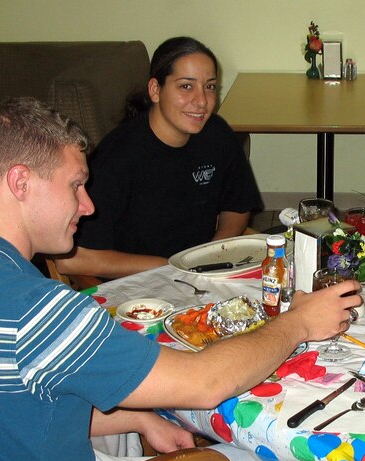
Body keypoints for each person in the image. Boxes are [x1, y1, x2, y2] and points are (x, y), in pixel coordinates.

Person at [0, 97, 361, 461]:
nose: (88, 206)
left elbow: (8, 414)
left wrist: (140, 420)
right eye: (75, 185)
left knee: (127, 422)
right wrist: (299, 323)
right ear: (20, 182)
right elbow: (206, 383)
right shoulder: (38, 310)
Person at [55, 36, 263, 280]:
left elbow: (237, 205)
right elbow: (72, 260)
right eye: (186, 86)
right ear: (155, 90)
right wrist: (171, 268)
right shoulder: (116, 158)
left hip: (199, 278)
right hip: (137, 288)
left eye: (209, 87)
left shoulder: (217, 134)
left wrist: (214, 252)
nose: (202, 101)